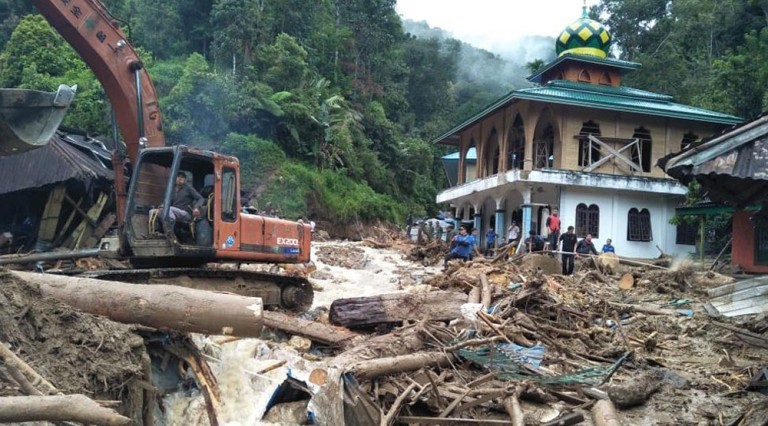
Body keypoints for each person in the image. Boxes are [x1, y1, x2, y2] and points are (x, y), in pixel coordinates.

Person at [150, 171, 204, 242]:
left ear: (185, 179)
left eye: (182, 177)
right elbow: (168, 203)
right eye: (178, 177)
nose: (180, 178)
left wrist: (196, 208)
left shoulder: (188, 188)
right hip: (172, 212)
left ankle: (171, 235)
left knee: (169, 210)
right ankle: (156, 233)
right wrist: (162, 206)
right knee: (152, 211)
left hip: (185, 214)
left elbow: (200, 198)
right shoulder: (172, 189)